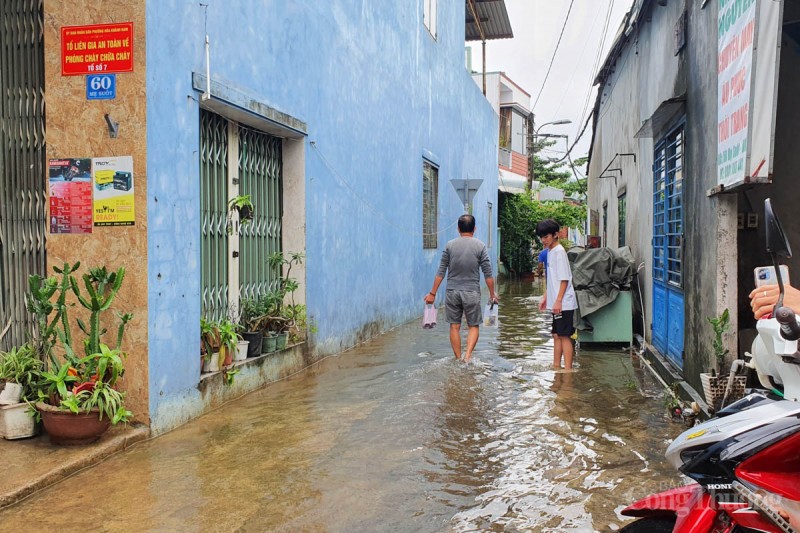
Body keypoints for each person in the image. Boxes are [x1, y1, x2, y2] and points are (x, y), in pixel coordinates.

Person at [425, 214, 498, 363]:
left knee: (454, 326)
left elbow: (441, 271)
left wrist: (432, 293)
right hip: (472, 292)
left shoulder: (449, 246)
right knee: (473, 326)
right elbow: (488, 273)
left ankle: (458, 358)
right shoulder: (480, 246)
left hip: (452, 292)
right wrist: (492, 294)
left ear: (458, 229)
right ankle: (468, 357)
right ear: (475, 229)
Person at [536, 218, 577, 369]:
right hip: (557, 302)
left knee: (564, 336)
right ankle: (556, 365)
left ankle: (567, 369)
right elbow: (553, 280)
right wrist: (546, 297)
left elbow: (564, 279)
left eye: (546, 237)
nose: (543, 240)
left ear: (555, 235)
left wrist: (559, 300)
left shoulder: (559, 252)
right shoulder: (550, 252)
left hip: (564, 302)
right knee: (556, 334)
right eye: (541, 237)